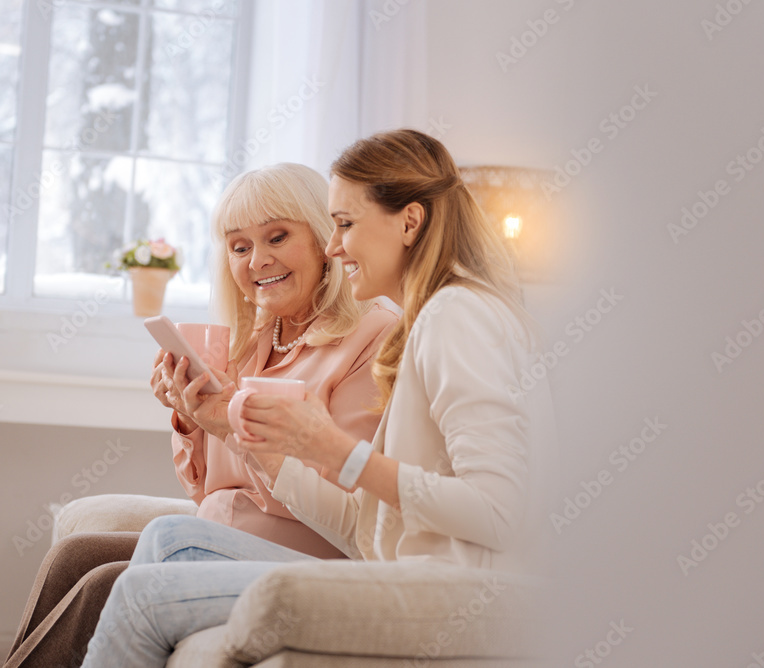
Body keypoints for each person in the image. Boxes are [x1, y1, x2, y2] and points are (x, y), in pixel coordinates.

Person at [79, 129, 556, 668]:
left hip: (447, 594)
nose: (333, 246)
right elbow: (360, 529)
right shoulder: (430, 320)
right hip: (402, 573)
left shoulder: (456, 315)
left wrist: (338, 451)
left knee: (142, 594)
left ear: (409, 222)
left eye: (345, 224)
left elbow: (499, 511)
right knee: (153, 555)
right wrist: (241, 429)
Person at [3, 163, 397, 667]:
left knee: (110, 581)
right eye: (239, 247)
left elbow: (341, 493)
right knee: (75, 556)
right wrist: (189, 416)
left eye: (277, 237)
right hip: (222, 538)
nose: (258, 260)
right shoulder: (252, 339)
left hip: (307, 554)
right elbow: (206, 491)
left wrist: (233, 427)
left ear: (325, 240)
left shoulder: (373, 337)